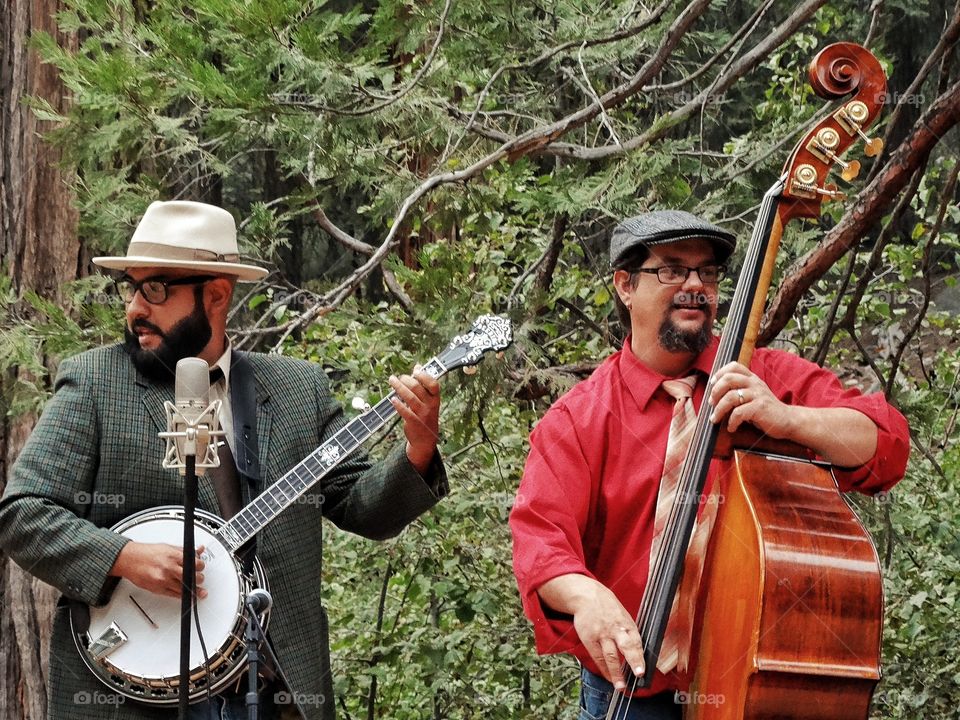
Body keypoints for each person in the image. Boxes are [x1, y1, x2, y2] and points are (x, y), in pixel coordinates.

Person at [0, 200, 448, 720]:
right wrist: (124, 557)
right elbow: (22, 513)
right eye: (131, 287)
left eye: (155, 289)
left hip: (273, 690)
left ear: (215, 294)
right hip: (134, 695)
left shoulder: (296, 390)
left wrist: (417, 449)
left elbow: (361, 506)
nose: (134, 309)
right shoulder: (96, 384)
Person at [509, 210, 910, 720]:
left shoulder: (762, 379)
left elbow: (886, 443)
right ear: (625, 285)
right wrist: (585, 594)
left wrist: (787, 419)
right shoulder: (577, 420)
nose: (695, 286)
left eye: (707, 273)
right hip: (631, 696)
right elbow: (540, 540)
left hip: (755, 686)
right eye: (672, 269)